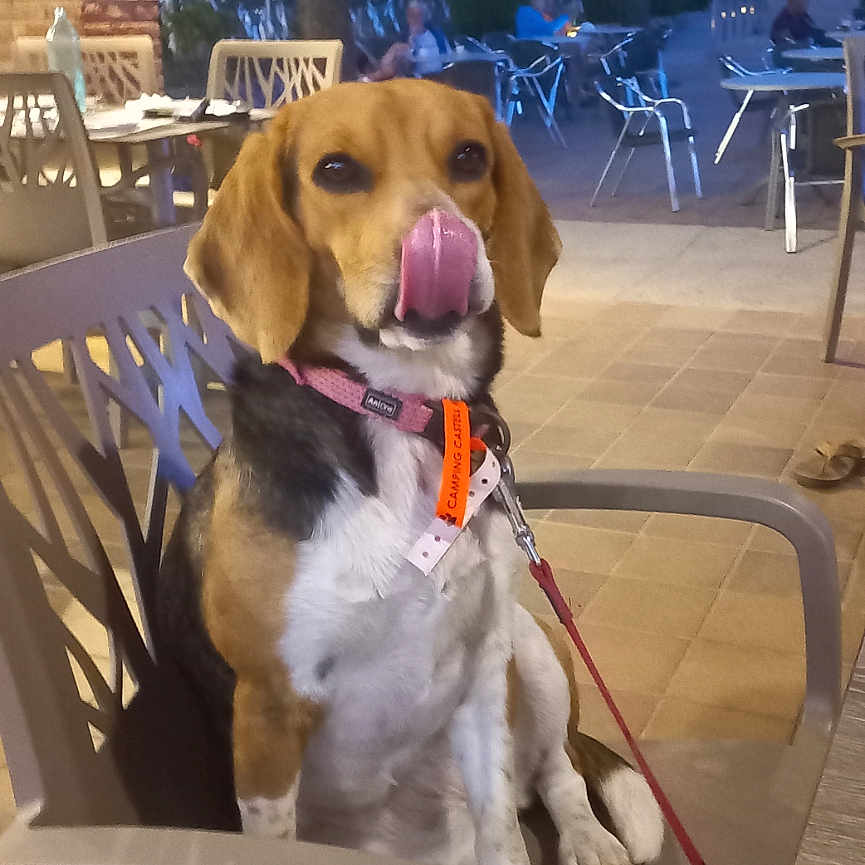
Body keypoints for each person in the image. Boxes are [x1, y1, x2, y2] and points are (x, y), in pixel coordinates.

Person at [361, 1, 442, 81]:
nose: (415, 19)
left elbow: (413, 60)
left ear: (423, 16)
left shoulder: (431, 36)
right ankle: (376, 76)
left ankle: (376, 76)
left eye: (418, 15)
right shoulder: (404, 36)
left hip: (428, 78)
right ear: (407, 17)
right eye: (411, 15)